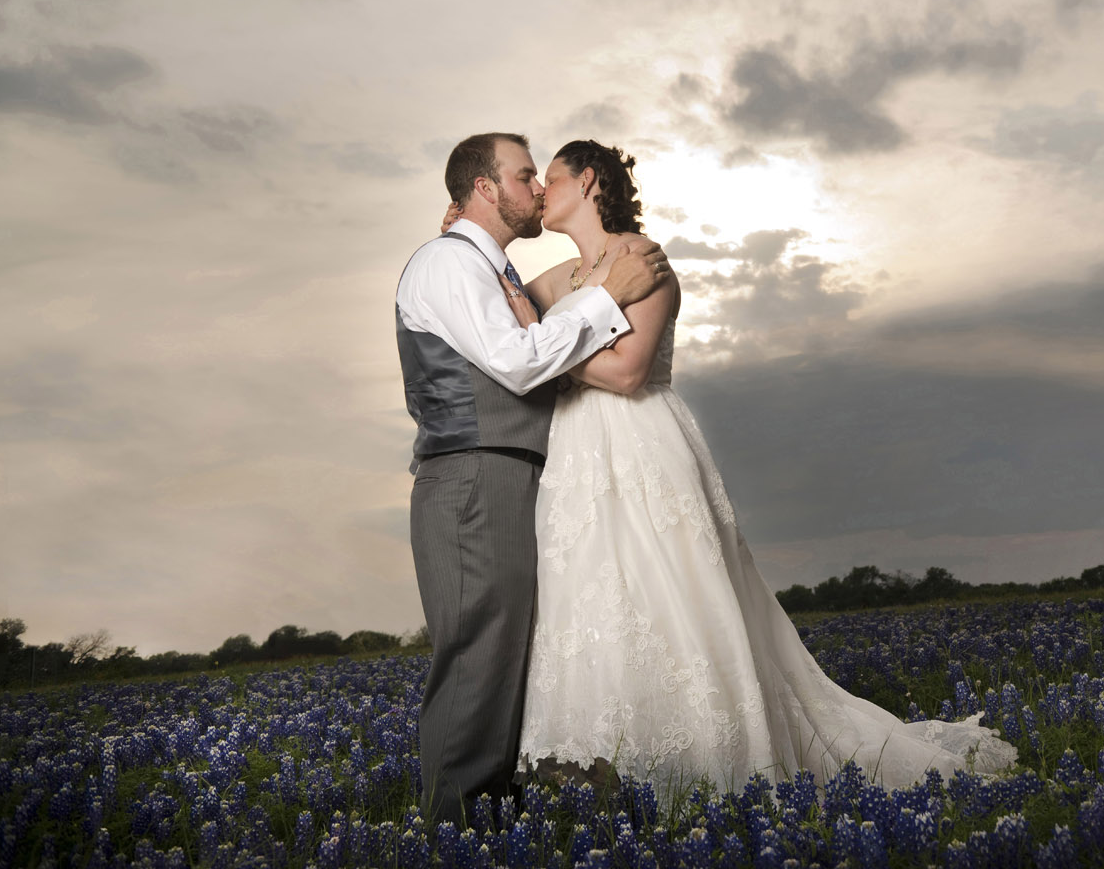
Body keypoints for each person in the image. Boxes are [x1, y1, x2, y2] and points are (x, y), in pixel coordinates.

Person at [446, 139, 1018, 793]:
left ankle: (701, 761)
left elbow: (628, 373)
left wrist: (549, 352)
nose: (542, 193)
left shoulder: (644, 262)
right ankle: (600, 759)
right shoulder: (551, 280)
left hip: (639, 439)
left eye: (551, 179)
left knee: (666, 588)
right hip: (573, 449)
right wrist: (462, 226)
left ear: (589, 180)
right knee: (585, 593)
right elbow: (499, 308)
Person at [395, 132, 671, 825]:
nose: (538, 189)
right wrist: (608, 296)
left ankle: (489, 814)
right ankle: (456, 826)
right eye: (525, 175)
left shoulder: (496, 272)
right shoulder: (449, 263)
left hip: (514, 477)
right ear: (486, 189)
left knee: (510, 649)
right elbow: (518, 363)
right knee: (479, 649)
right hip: (472, 479)